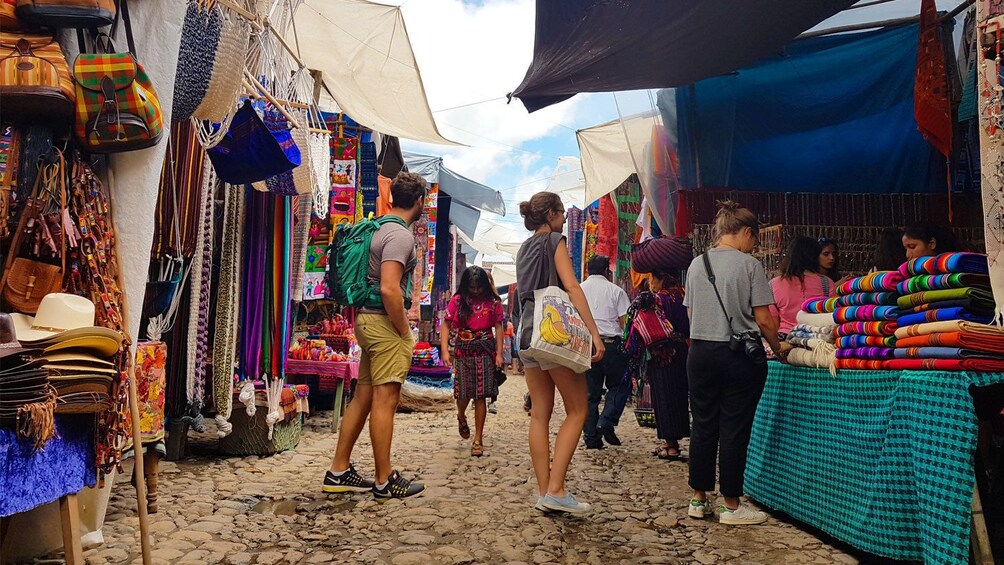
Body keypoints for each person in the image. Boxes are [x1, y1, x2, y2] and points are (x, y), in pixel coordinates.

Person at [683, 200, 790, 525]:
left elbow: (691, 313)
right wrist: (779, 348)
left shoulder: (696, 264)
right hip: (737, 357)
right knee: (733, 428)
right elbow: (765, 320)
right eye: (753, 239)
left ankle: (699, 500)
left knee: (702, 426)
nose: (753, 245)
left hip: (700, 354)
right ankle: (731, 504)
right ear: (745, 232)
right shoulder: (749, 266)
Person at [322, 172, 428, 499]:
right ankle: (385, 480)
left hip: (367, 321)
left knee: (364, 397)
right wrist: (403, 330)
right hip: (383, 324)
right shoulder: (400, 236)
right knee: (385, 401)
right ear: (420, 201)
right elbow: (389, 287)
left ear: (392, 197)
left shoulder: (377, 227)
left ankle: (338, 470)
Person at [516, 191, 604, 515]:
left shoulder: (524, 248)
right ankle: (556, 489)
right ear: (551, 214)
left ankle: (544, 492)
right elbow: (573, 287)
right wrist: (594, 334)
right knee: (578, 410)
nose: (565, 218)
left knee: (540, 413)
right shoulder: (555, 241)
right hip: (553, 332)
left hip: (528, 333)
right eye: (562, 213)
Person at [625, 266, 691, 461]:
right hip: (682, 351)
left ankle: (670, 445)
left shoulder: (658, 299)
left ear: (659, 279)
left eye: (652, 279)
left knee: (663, 396)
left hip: (662, 354)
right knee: (679, 394)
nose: (650, 283)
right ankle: (676, 438)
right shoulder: (682, 294)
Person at [441, 266, 505, 457]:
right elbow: (446, 324)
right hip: (463, 351)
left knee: (480, 395)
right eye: (472, 288)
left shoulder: (493, 303)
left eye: (479, 288)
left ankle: (478, 438)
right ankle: (461, 415)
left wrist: (499, 354)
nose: (476, 291)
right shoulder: (458, 301)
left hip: (485, 351)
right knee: (462, 393)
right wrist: (445, 350)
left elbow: (499, 328)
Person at [579, 255, 632, 450]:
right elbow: (623, 322)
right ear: (606, 272)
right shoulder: (615, 291)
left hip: (586, 345)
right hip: (611, 344)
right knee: (620, 384)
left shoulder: (579, 290)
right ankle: (606, 421)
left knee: (589, 394)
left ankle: (591, 437)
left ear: (588, 271)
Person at [770, 236, 835, 335]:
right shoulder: (826, 283)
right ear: (814, 257)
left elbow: (772, 323)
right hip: (815, 337)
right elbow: (832, 316)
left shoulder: (773, 284)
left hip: (785, 337)